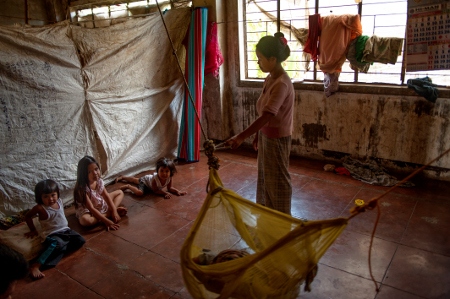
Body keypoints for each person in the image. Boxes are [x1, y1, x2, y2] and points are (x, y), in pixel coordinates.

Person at [225, 32, 294, 215]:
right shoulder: (271, 78)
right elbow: (265, 113)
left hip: (277, 140)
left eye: (260, 59)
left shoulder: (281, 84)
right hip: (267, 137)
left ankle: (281, 218)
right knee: (266, 178)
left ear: (273, 59)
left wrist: (241, 137)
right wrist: (258, 135)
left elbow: (267, 116)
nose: (258, 62)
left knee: (278, 180)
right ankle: (269, 214)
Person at [24, 179, 85, 279]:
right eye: (46, 197)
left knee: (80, 240)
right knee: (57, 244)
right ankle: (36, 265)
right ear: (40, 197)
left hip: (66, 230)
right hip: (52, 234)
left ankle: (59, 250)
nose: (51, 199)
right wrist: (32, 229)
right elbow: (27, 216)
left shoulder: (60, 201)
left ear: (57, 193)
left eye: (53, 195)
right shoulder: (40, 208)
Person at [74, 155, 127, 231]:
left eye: (96, 169)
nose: (95, 173)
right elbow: (91, 208)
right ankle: (108, 213)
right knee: (85, 221)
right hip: (88, 209)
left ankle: (112, 210)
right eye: (89, 172)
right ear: (83, 174)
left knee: (120, 192)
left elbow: (106, 196)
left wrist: (115, 212)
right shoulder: (82, 188)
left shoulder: (99, 181)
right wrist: (107, 221)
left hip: (98, 201)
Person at [115, 157, 187, 199]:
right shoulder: (155, 180)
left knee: (134, 180)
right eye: (161, 171)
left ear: (170, 172)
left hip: (149, 184)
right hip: (145, 182)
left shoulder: (169, 178)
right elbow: (155, 191)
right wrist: (164, 193)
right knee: (138, 191)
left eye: (167, 171)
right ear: (157, 170)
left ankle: (123, 178)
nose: (164, 173)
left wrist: (177, 191)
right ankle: (127, 185)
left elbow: (170, 188)